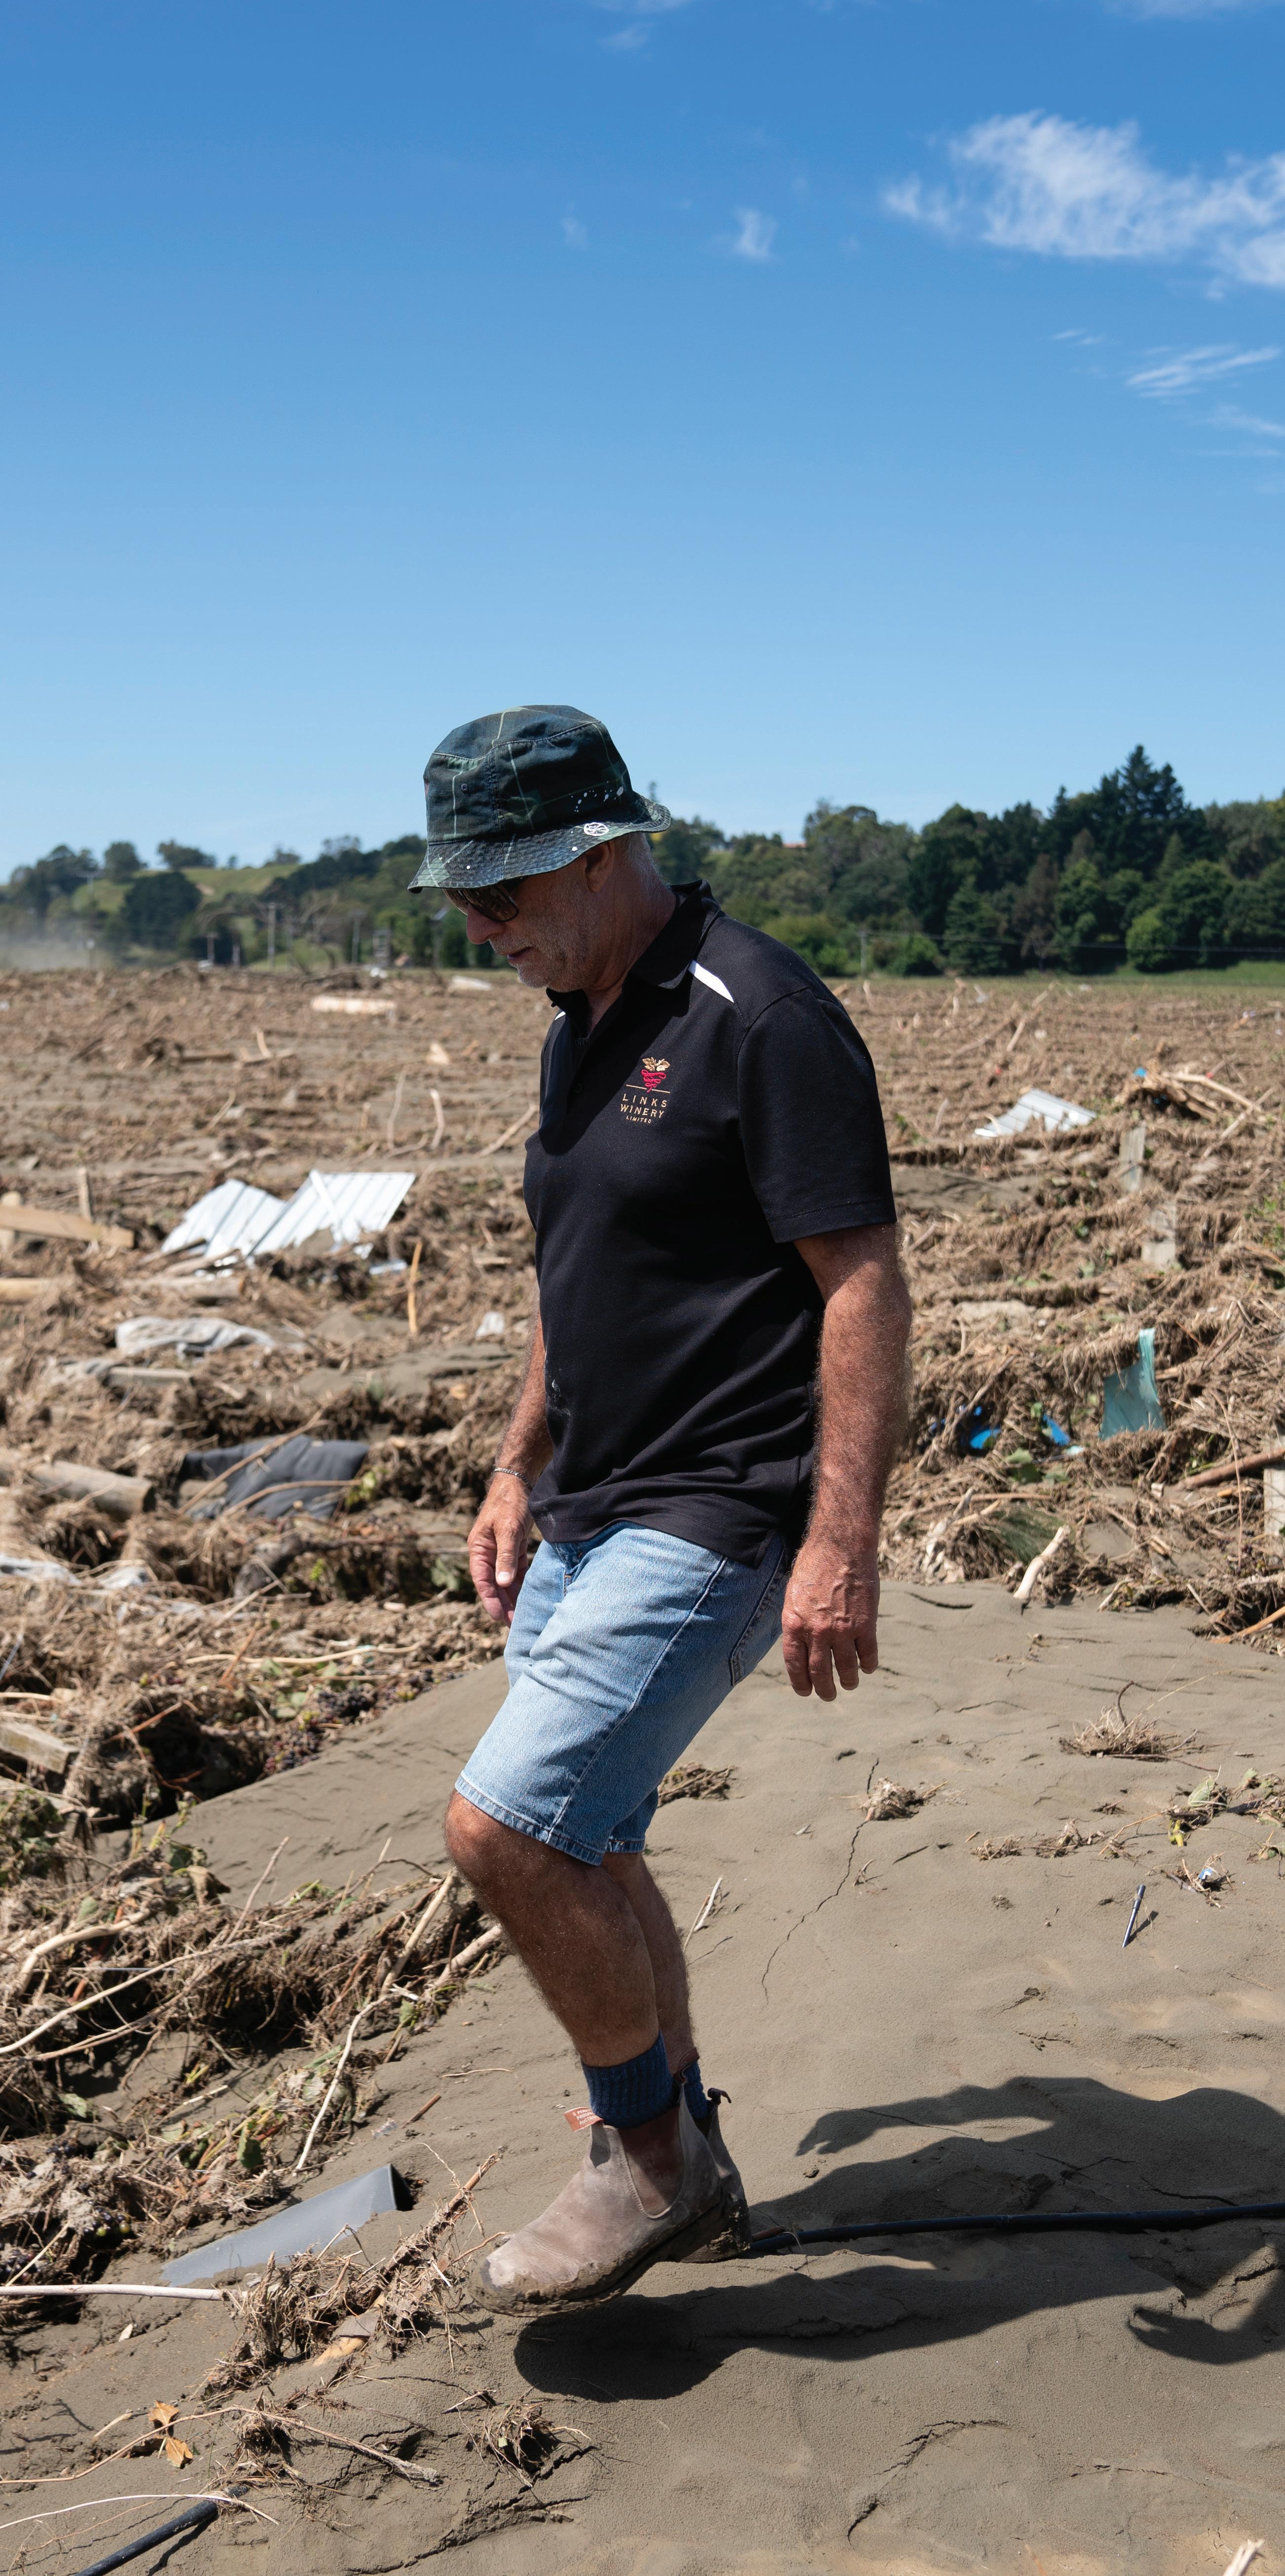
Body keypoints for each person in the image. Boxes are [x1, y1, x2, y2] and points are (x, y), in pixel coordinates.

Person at [410, 705, 912, 2314]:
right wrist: (517, 1460)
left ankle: (643, 2159)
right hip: (590, 1503)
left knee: (509, 1829)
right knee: (598, 1834)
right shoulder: (580, 1016)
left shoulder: (760, 1016)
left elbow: (860, 1281)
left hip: (719, 1507)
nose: (480, 927)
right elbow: (579, 1269)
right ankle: (684, 2149)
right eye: (463, 899)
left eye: (501, 892)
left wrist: (837, 1543)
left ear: (601, 853)